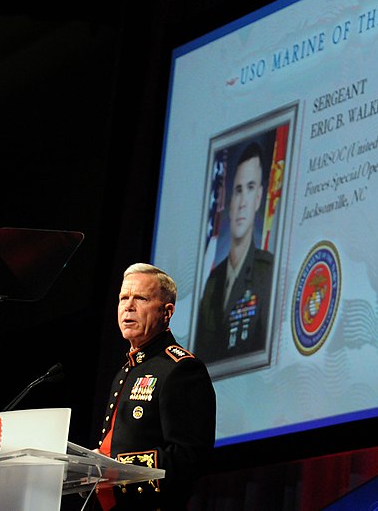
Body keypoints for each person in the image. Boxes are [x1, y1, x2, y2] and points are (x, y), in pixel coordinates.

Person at [94, 263, 216, 510]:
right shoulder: (125, 371)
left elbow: (189, 457)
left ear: (166, 312)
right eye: (123, 298)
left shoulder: (180, 369)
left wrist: (118, 469)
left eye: (140, 298)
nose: (128, 306)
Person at [194, 140, 274, 365]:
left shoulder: (267, 274)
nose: (242, 202)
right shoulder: (212, 281)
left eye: (250, 188)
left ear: (258, 198)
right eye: (238, 190)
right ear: (229, 201)